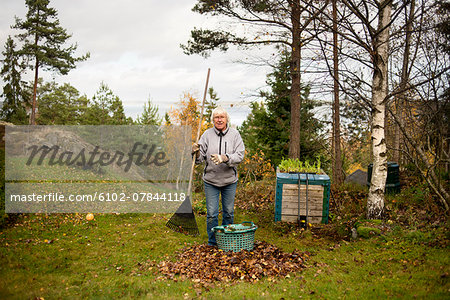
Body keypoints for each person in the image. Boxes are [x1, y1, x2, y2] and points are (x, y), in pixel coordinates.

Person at [192, 107, 245, 246]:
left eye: (222, 117)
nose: (219, 119)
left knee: (228, 212)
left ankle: (226, 239)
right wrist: (195, 153)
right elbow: (199, 159)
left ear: (226, 119)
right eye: (216, 117)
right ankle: (213, 242)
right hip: (211, 181)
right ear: (212, 120)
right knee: (212, 214)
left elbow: (240, 155)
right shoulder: (207, 135)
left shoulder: (235, 135)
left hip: (229, 181)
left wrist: (225, 158)